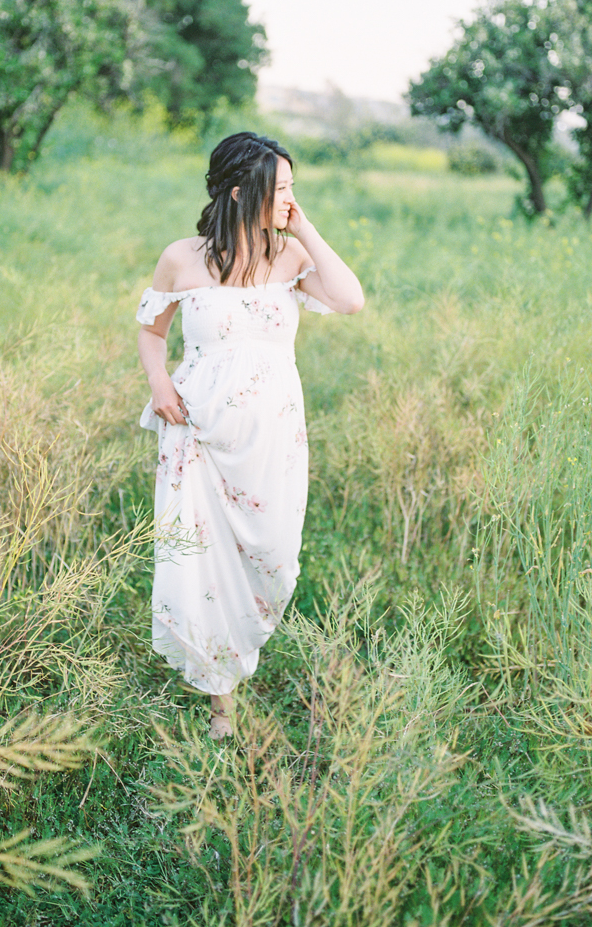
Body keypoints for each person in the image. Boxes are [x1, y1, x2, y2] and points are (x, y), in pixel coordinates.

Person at [136, 131, 364, 739]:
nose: (290, 197)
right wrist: (159, 384)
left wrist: (303, 222)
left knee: (274, 558)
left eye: (293, 187)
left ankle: (234, 666)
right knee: (203, 565)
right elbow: (152, 331)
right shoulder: (180, 258)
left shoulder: (290, 258)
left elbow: (350, 300)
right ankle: (221, 708)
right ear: (242, 192)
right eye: (281, 188)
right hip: (198, 433)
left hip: (271, 435)